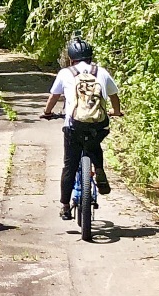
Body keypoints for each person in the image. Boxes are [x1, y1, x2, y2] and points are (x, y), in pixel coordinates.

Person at [41, 32, 123, 220]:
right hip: (99, 124)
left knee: (69, 165)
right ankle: (99, 168)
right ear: (91, 57)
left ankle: (64, 206)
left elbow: (53, 97)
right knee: (94, 144)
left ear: (71, 59)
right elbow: (114, 96)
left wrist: (47, 113)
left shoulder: (65, 73)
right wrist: (116, 112)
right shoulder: (100, 72)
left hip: (74, 125)